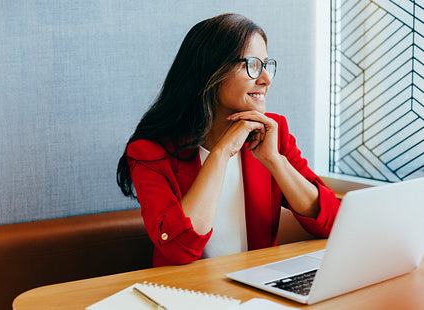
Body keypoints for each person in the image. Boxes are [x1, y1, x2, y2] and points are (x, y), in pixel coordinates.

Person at [117, 13, 340, 267]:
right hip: (185, 294)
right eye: (253, 65)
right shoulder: (149, 152)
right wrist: (221, 153)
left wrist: (275, 160)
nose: (266, 79)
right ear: (211, 72)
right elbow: (179, 249)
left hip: (256, 289)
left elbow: (332, 222)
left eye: (267, 65)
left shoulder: (272, 133)